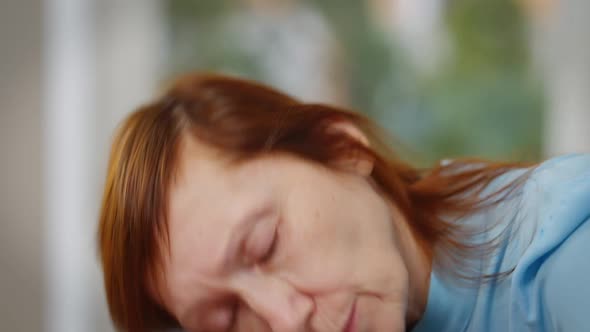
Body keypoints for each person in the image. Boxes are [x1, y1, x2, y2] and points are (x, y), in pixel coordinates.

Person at [98, 73, 590, 332]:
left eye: (266, 245)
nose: (285, 321)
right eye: (226, 322)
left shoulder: (562, 259)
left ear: (343, 148)